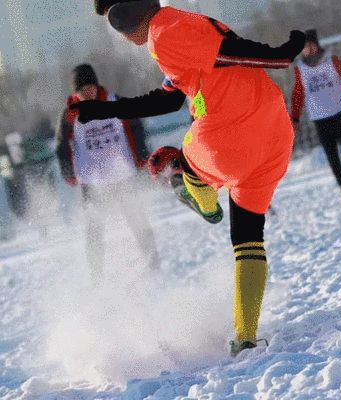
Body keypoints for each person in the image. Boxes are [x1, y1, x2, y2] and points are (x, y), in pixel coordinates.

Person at [72, 0, 305, 356]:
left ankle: (201, 197)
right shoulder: (180, 30)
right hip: (274, 135)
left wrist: (281, 54)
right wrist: (106, 110)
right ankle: (245, 337)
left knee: (186, 157)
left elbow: (233, 52)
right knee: (247, 240)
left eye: (115, 20)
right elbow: (166, 100)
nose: (118, 32)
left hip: (230, 135)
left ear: (128, 15)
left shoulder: (167, 32)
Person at [55, 64, 160, 281]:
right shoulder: (69, 114)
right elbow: (61, 144)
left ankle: (153, 263)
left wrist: (141, 154)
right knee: (94, 230)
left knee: (137, 220)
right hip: (92, 183)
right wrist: (68, 171)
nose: (88, 92)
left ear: (97, 85)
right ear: (75, 92)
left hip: (122, 176)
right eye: (82, 90)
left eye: (91, 87)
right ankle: (97, 275)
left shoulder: (115, 102)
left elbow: (136, 126)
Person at [291, 29, 341, 201]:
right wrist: (295, 117)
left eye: (310, 45)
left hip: (339, 111)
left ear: (317, 45)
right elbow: (297, 93)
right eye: (304, 47)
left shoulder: (331, 60)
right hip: (320, 119)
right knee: (332, 156)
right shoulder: (301, 69)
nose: (308, 49)